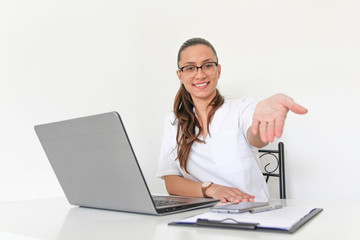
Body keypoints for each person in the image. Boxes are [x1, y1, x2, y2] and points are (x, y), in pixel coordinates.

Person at [156, 38, 308, 203]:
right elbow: (171, 183)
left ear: (218, 70)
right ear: (180, 75)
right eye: (190, 68)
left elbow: (255, 139)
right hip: (201, 216)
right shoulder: (174, 121)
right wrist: (211, 189)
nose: (200, 74)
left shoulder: (242, 108)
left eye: (207, 65)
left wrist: (261, 126)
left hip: (252, 212)